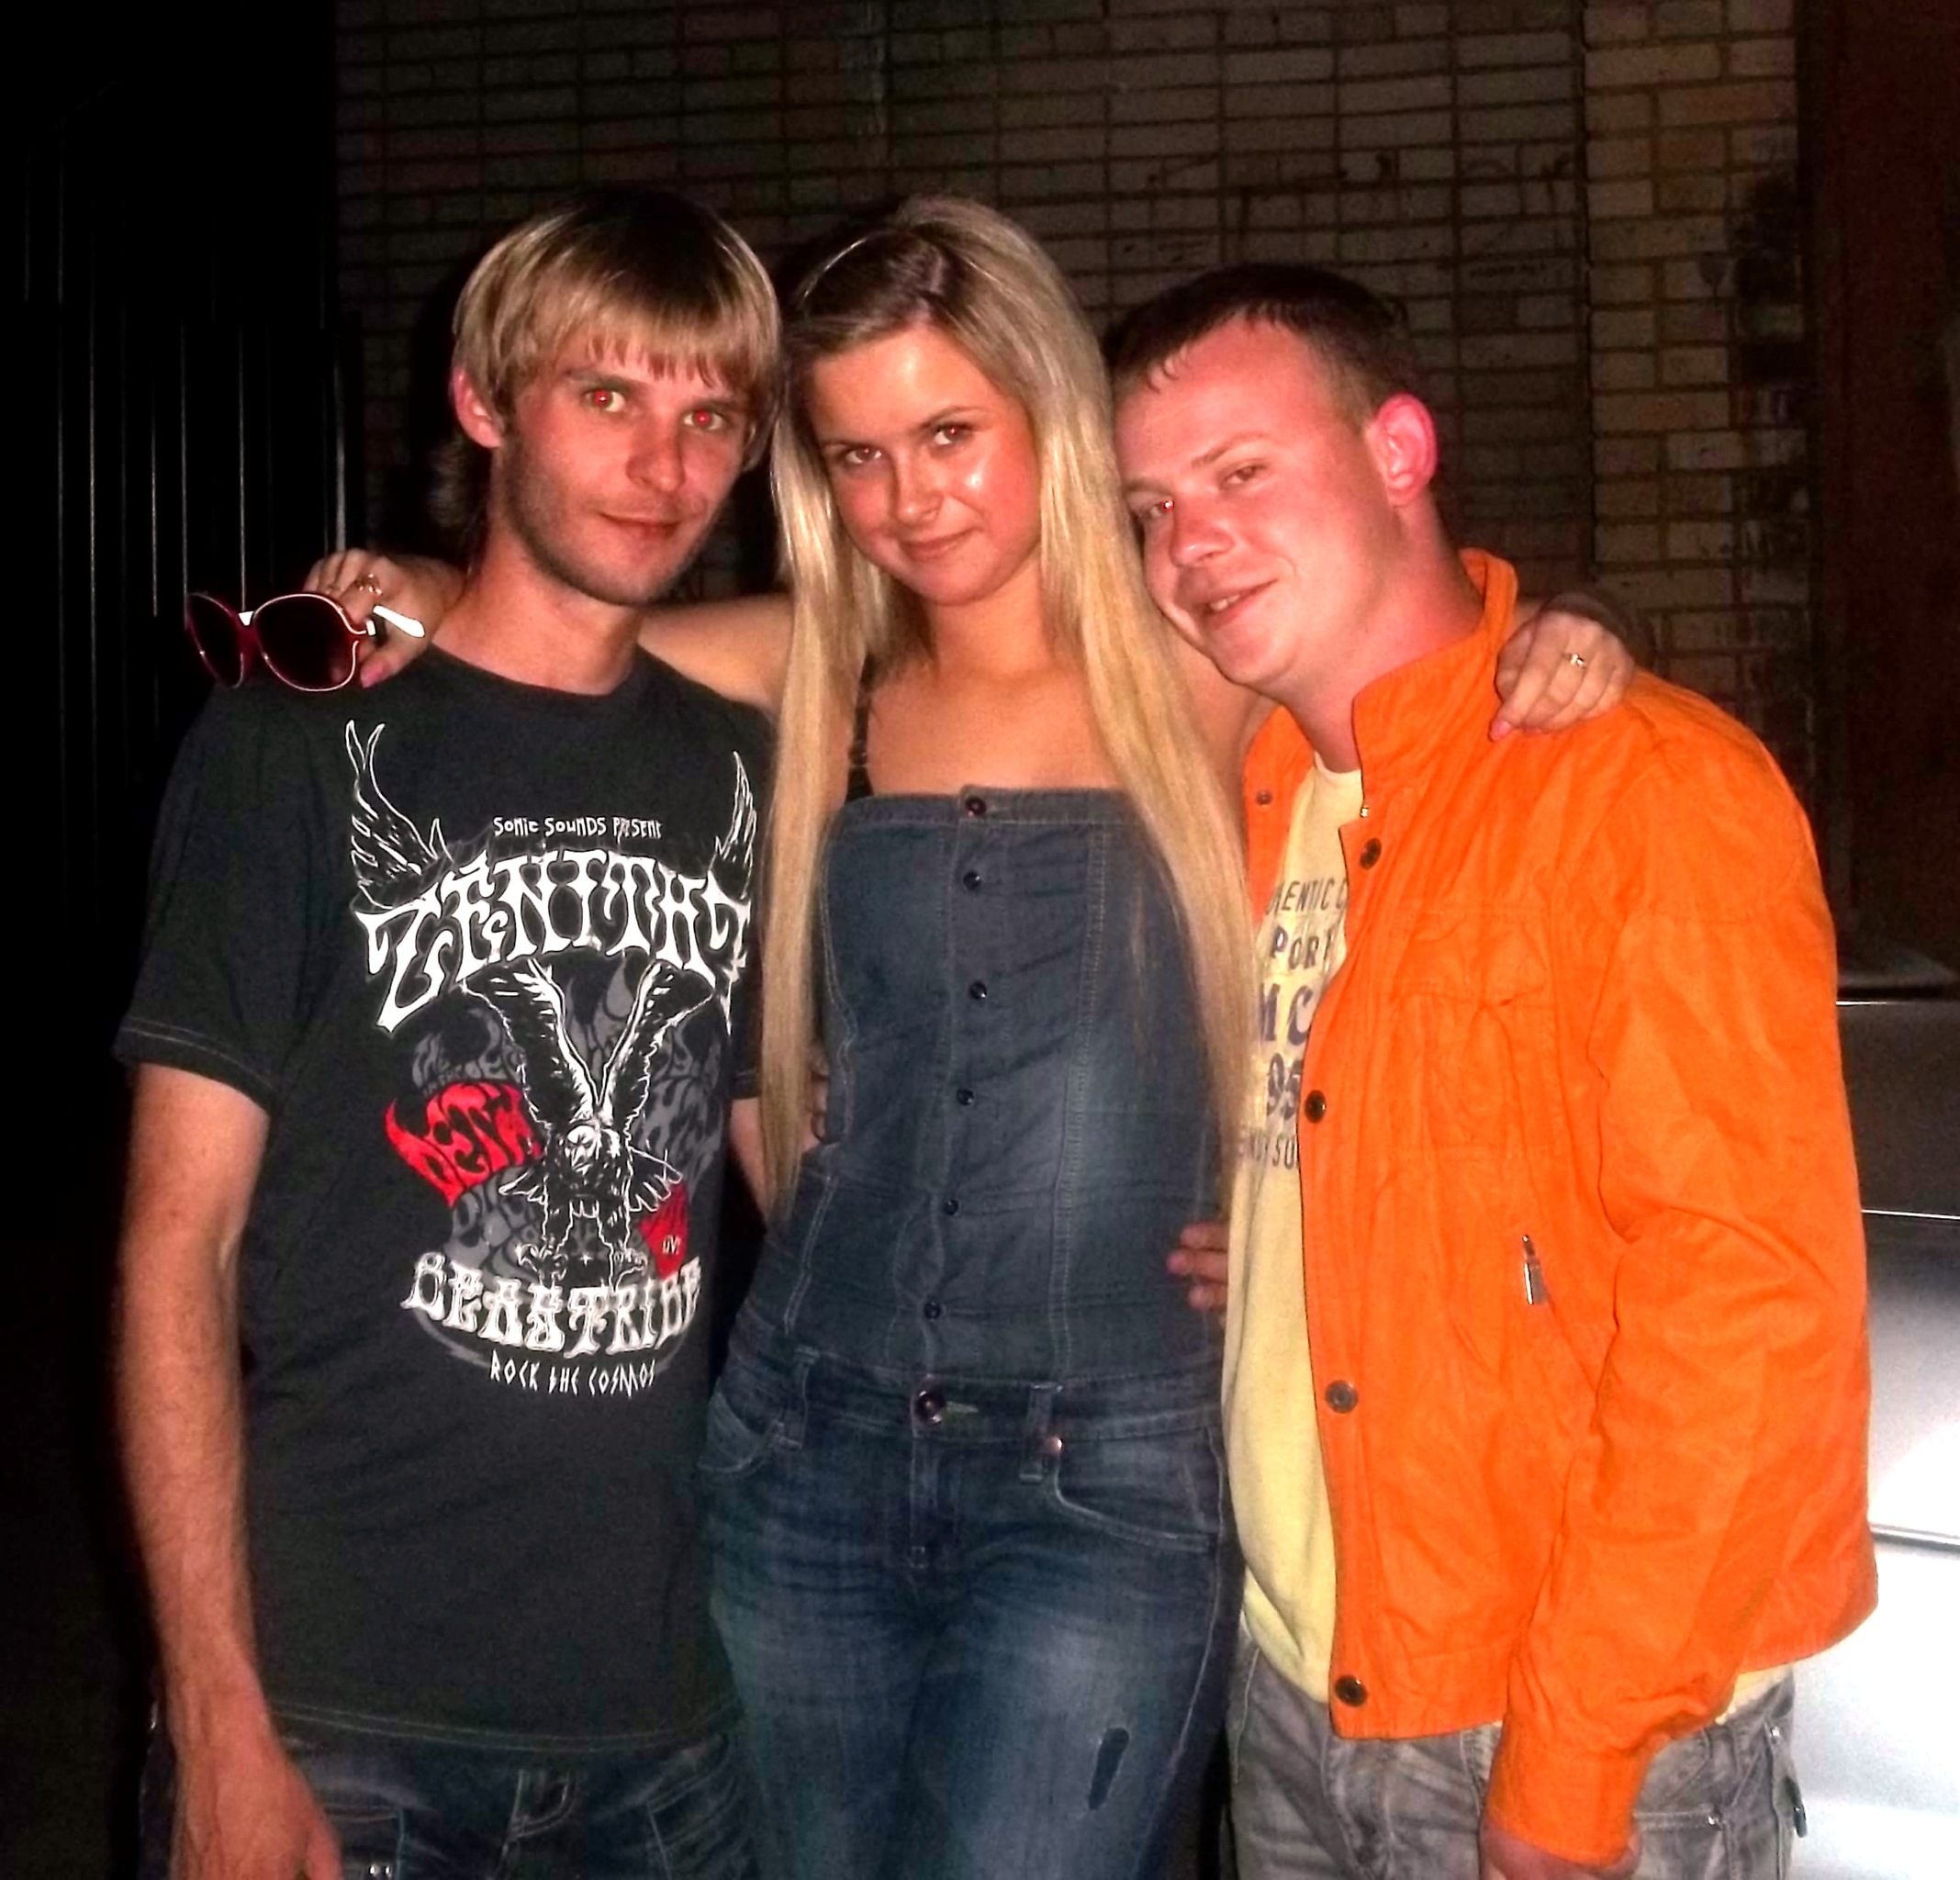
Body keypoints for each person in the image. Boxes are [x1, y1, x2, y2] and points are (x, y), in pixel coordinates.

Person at [330, 197, 1635, 1880]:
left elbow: (1427, 653)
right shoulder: (819, 671)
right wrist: (426, 586)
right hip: (803, 1438)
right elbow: (561, 626)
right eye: (857, 455)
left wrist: (1584, 618)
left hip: (1111, 1475)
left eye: (950, 434)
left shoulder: (1200, 662)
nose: (910, 497)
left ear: (1050, 414)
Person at [1106, 263, 1876, 1880]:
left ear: (1399, 450)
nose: (1191, 544)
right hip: (1294, 1687)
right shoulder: (1245, 791)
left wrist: (1574, 1767)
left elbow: (1744, 1308)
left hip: (1552, 1723)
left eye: (1241, 473)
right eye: (1153, 507)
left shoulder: (1644, 790)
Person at [114, 189, 779, 1880]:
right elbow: (177, 1247)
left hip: (663, 1721)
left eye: (711, 417)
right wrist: (218, 1718)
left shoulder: (739, 769)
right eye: (606, 396)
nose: (663, 466)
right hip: (343, 1713)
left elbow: (798, 1158)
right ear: (484, 402)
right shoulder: (291, 748)